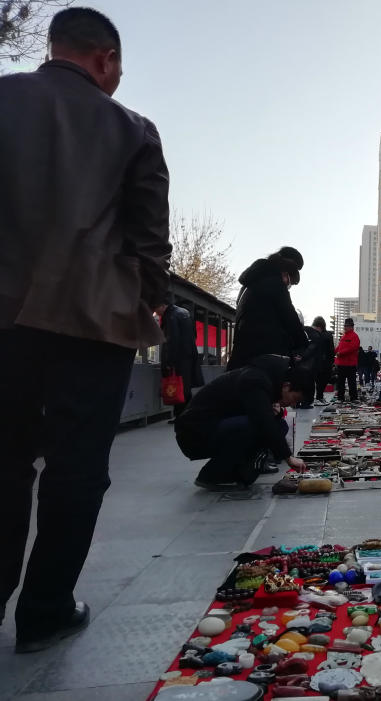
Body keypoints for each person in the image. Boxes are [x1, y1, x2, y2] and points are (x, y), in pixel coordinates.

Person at [0, 7, 172, 653]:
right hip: (93, 319)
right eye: (118, 69)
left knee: (5, 461)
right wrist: (149, 302)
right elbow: (150, 239)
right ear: (105, 58)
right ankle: (45, 608)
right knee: (77, 466)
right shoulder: (132, 130)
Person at [175, 355, 309, 490]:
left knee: (278, 425)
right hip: (193, 433)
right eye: (294, 399)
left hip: (213, 426)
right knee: (256, 426)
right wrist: (288, 457)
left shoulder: (264, 379)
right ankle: (213, 474)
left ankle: (237, 472)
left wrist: (276, 413)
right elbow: (263, 421)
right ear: (287, 386)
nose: (291, 404)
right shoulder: (255, 380)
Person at [227, 247, 306, 370]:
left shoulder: (249, 285)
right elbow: (290, 319)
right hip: (262, 355)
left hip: (241, 351)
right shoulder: (276, 284)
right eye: (289, 281)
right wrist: (303, 342)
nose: (288, 285)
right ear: (285, 272)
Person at [159, 298, 205, 421]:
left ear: (162, 306)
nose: (157, 313)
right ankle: (187, 414)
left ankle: (181, 416)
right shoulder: (185, 313)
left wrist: (169, 361)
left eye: (157, 309)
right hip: (188, 356)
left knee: (178, 387)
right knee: (186, 387)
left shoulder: (171, 316)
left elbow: (171, 340)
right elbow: (194, 335)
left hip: (178, 358)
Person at [300, 316, 334, 408]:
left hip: (311, 362)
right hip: (323, 363)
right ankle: (318, 398)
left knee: (310, 382)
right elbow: (331, 351)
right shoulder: (326, 335)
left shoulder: (308, 332)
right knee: (320, 382)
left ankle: (306, 400)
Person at [334, 317, 361, 401]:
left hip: (350, 364)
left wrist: (340, 353)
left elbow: (352, 348)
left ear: (352, 327)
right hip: (341, 363)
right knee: (340, 382)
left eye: (347, 326)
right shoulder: (344, 336)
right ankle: (340, 397)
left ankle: (353, 398)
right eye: (345, 326)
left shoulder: (355, 336)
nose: (345, 327)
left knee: (351, 382)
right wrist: (334, 352)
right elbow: (339, 347)